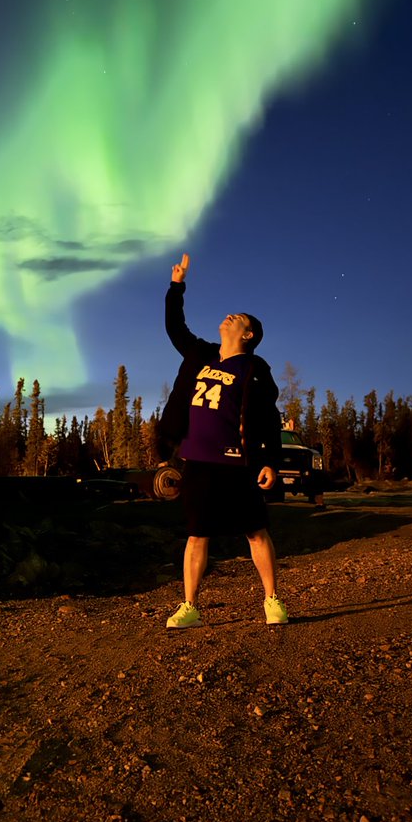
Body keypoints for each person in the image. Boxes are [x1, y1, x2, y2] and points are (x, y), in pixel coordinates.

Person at [159, 253, 288, 629]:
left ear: (248, 336)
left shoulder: (254, 369)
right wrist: (176, 286)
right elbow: (174, 326)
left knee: (255, 531)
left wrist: (270, 461)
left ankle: (272, 601)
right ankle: (190, 607)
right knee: (197, 535)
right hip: (197, 460)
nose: (231, 317)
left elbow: (268, 417)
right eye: (232, 315)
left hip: (237, 461)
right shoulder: (201, 354)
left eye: (240, 319)